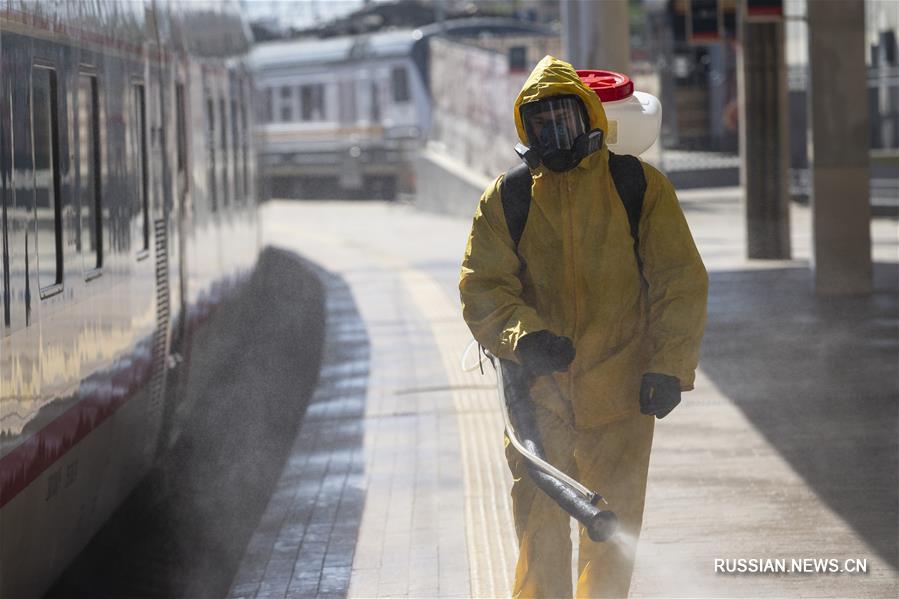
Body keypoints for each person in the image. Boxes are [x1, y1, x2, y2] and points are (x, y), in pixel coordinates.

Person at [459, 55, 708, 598]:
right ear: (527, 129)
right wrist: (526, 338)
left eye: (564, 121)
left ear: (590, 116)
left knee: (611, 530)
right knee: (539, 529)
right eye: (542, 124)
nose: (554, 135)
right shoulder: (508, 200)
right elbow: (483, 286)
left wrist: (668, 367)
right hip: (538, 394)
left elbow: (679, 282)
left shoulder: (638, 188)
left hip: (621, 395)